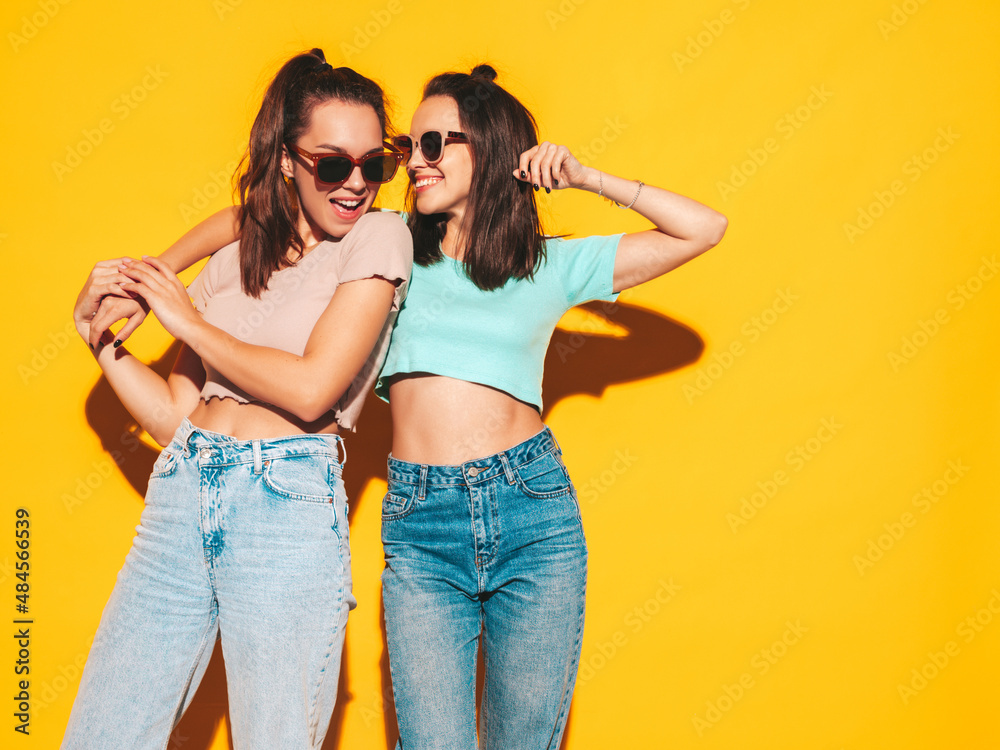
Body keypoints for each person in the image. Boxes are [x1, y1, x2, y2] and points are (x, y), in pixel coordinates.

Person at [92, 63, 726, 750]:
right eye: (406, 149)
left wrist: (584, 178)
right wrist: (145, 274)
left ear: (491, 152)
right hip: (422, 524)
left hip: (531, 511)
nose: (409, 166)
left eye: (432, 146)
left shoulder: (543, 263)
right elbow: (254, 215)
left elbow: (703, 229)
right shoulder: (383, 241)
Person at [64, 49, 411, 750]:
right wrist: (99, 341)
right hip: (183, 490)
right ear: (287, 161)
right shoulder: (236, 259)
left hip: (284, 503)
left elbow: (315, 390)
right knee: (103, 735)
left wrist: (184, 318)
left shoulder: (381, 237)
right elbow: (175, 418)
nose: (357, 185)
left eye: (374, 164)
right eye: (333, 164)